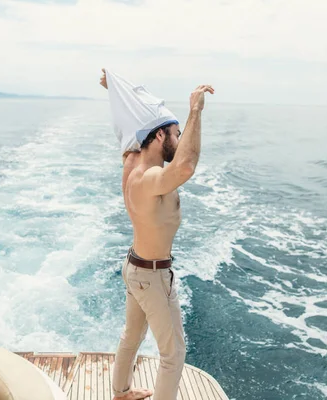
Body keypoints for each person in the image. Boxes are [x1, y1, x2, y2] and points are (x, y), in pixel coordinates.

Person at [99, 69, 214, 400]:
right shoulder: (149, 179)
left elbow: (129, 125)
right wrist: (195, 110)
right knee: (174, 355)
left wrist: (116, 91)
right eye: (176, 134)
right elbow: (186, 166)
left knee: (131, 337)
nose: (179, 142)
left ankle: (120, 393)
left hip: (134, 268)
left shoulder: (131, 162)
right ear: (160, 137)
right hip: (152, 276)